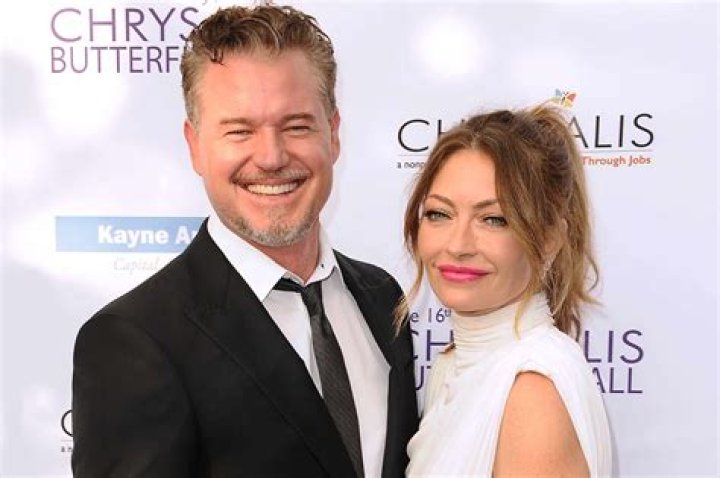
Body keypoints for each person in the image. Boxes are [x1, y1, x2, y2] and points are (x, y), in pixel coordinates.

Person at [71, 5, 418, 477]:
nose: (271, 157)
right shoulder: (136, 339)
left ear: (333, 134)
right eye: (240, 131)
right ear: (195, 145)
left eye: (296, 126)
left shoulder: (382, 298)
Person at [402, 105, 612, 476]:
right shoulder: (453, 366)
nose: (458, 245)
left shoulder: (532, 390)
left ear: (549, 239)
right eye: (439, 214)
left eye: (494, 219)